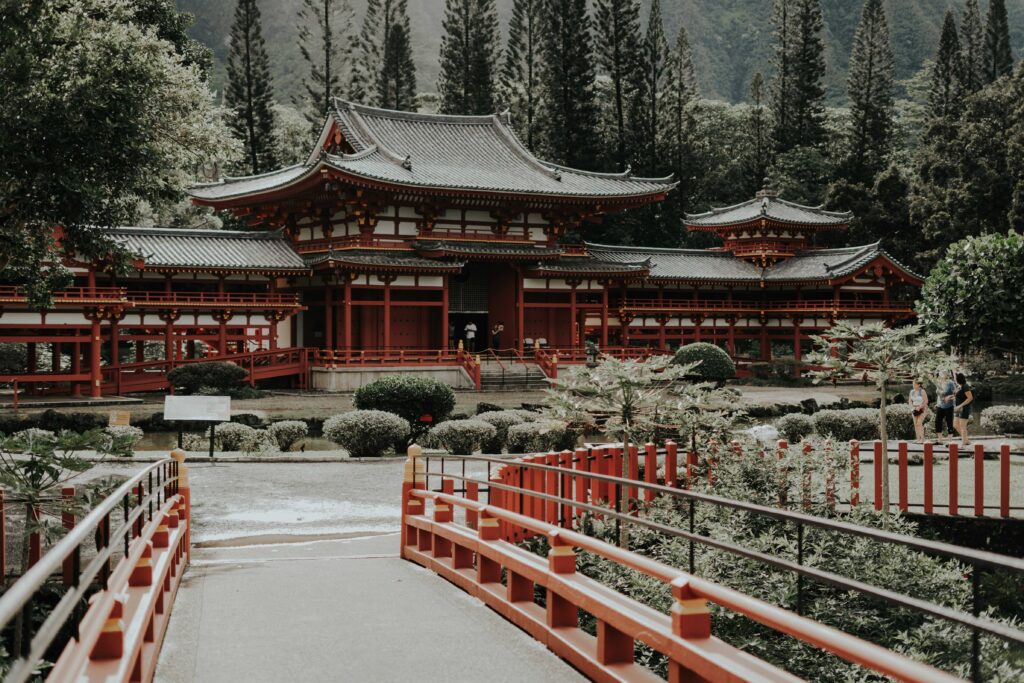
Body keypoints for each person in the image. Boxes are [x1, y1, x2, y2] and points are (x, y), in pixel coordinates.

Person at [953, 372, 974, 447]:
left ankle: (964, 443)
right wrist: (951, 397)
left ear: (958, 379)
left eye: (955, 378)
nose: (954, 379)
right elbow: (960, 397)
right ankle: (966, 440)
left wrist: (960, 406)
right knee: (955, 425)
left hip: (964, 408)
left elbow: (970, 398)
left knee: (962, 426)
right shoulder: (960, 386)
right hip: (958, 409)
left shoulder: (965, 386)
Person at [934, 373, 956, 444]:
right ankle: (940, 440)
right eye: (941, 372)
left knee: (949, 422)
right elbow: (939, 395)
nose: (942, 374)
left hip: (949, 406)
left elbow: (956, 394)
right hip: (940, 406)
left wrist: (949, 397)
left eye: (944, 372)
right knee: (937, 422)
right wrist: (937, 403)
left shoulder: (950, 383)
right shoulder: (939, 382)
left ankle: (950, 442)